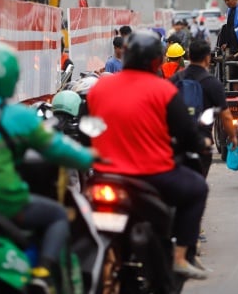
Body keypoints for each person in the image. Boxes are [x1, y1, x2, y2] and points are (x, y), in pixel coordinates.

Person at [0, 41, 95, 292]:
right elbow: (57, 148)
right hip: (4, 204)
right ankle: (42, 274)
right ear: (11, 78)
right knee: (57, 216)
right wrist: (90, 158)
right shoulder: (18, 116)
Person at [88, 30, 210, 280]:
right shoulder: (164, 90)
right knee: (198, 188)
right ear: (157, 61)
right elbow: (187, 133)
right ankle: (179, 258)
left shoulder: (100, 86)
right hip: (152, 176)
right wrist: (202, 142)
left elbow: (88, 123)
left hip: (103, 174)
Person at [170, 39, 238, 178]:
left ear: (188, 56)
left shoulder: (175, 79)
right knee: (198, 182)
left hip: (176, 140)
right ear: (208, 58)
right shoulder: (212, 83)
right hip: (201, 141)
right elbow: (225, 115)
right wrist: (232, 136)